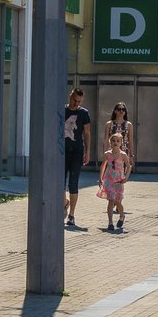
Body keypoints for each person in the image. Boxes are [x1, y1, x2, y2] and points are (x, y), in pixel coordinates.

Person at [62, 89, 92, 229]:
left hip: (77, 152)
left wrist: (87, 152)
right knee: (60, 182)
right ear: (70, 96)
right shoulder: (62, 110)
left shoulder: (83, 113)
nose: (76, 103)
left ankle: (72, 214)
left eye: (79, 101)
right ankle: (64, 203)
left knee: (73, 183)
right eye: (74, 100)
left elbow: (87, 133)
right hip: (61, 152)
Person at [98, 131, 131, 232]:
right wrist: (100, 178)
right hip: (109, 180)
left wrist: (126, 177)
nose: (115, 143)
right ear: (110, 143)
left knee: (117, 201)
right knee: (111, 200)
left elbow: (129, 166)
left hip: (118, 181)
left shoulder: (123, 155)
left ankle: (122, 216)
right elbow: (103, 165)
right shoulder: (107, 154)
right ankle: (110, 223)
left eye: (118, 141)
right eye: (113, 141)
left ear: (121, 143)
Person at [105, 103, 135, 170]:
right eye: (119, 109)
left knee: (122, 173)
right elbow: (106, 140)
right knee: (112, 172)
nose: (121, 111)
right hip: (112, 151)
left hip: (124, 151)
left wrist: (131, 156)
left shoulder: (129, 125)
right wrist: (105, 153)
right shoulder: (109, 124)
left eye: (123, 109)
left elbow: (130, 141)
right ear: (115, 111)